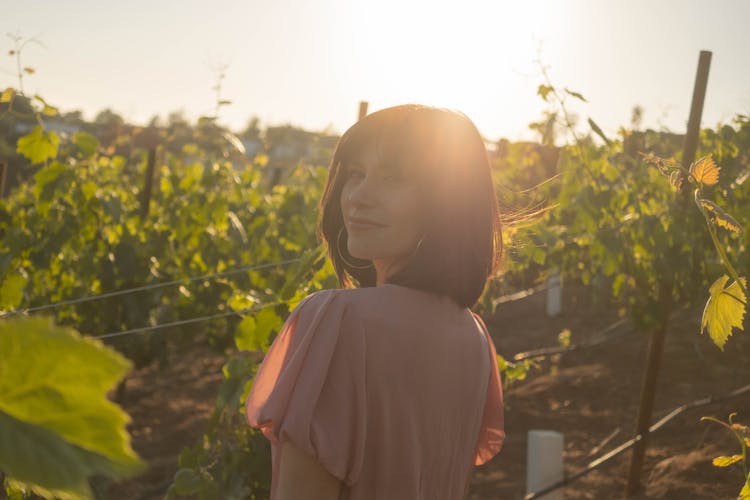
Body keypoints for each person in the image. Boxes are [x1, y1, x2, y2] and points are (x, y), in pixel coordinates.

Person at [246, 103, 506, 500]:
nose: (358, 198)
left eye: (393, 178)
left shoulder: (338, 321)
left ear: (446, 202)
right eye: (356, 174)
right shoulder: (473, 336)